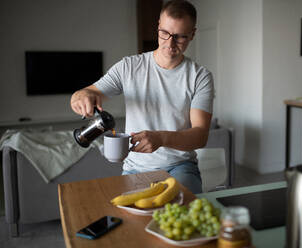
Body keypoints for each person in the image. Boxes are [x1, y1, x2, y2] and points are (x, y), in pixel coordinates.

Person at [70, 0, 214, 194]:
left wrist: (161, 138)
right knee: (130, 220)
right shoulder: (129, 67)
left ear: (193, 34)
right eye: (165, 33)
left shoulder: (200, 76)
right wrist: (82, 96)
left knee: (181, 212)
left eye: (180, 37)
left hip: (180, 166)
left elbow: (200, 135)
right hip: (134, 167)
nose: (170, 43)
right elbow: (88, 92)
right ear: (158, 27)